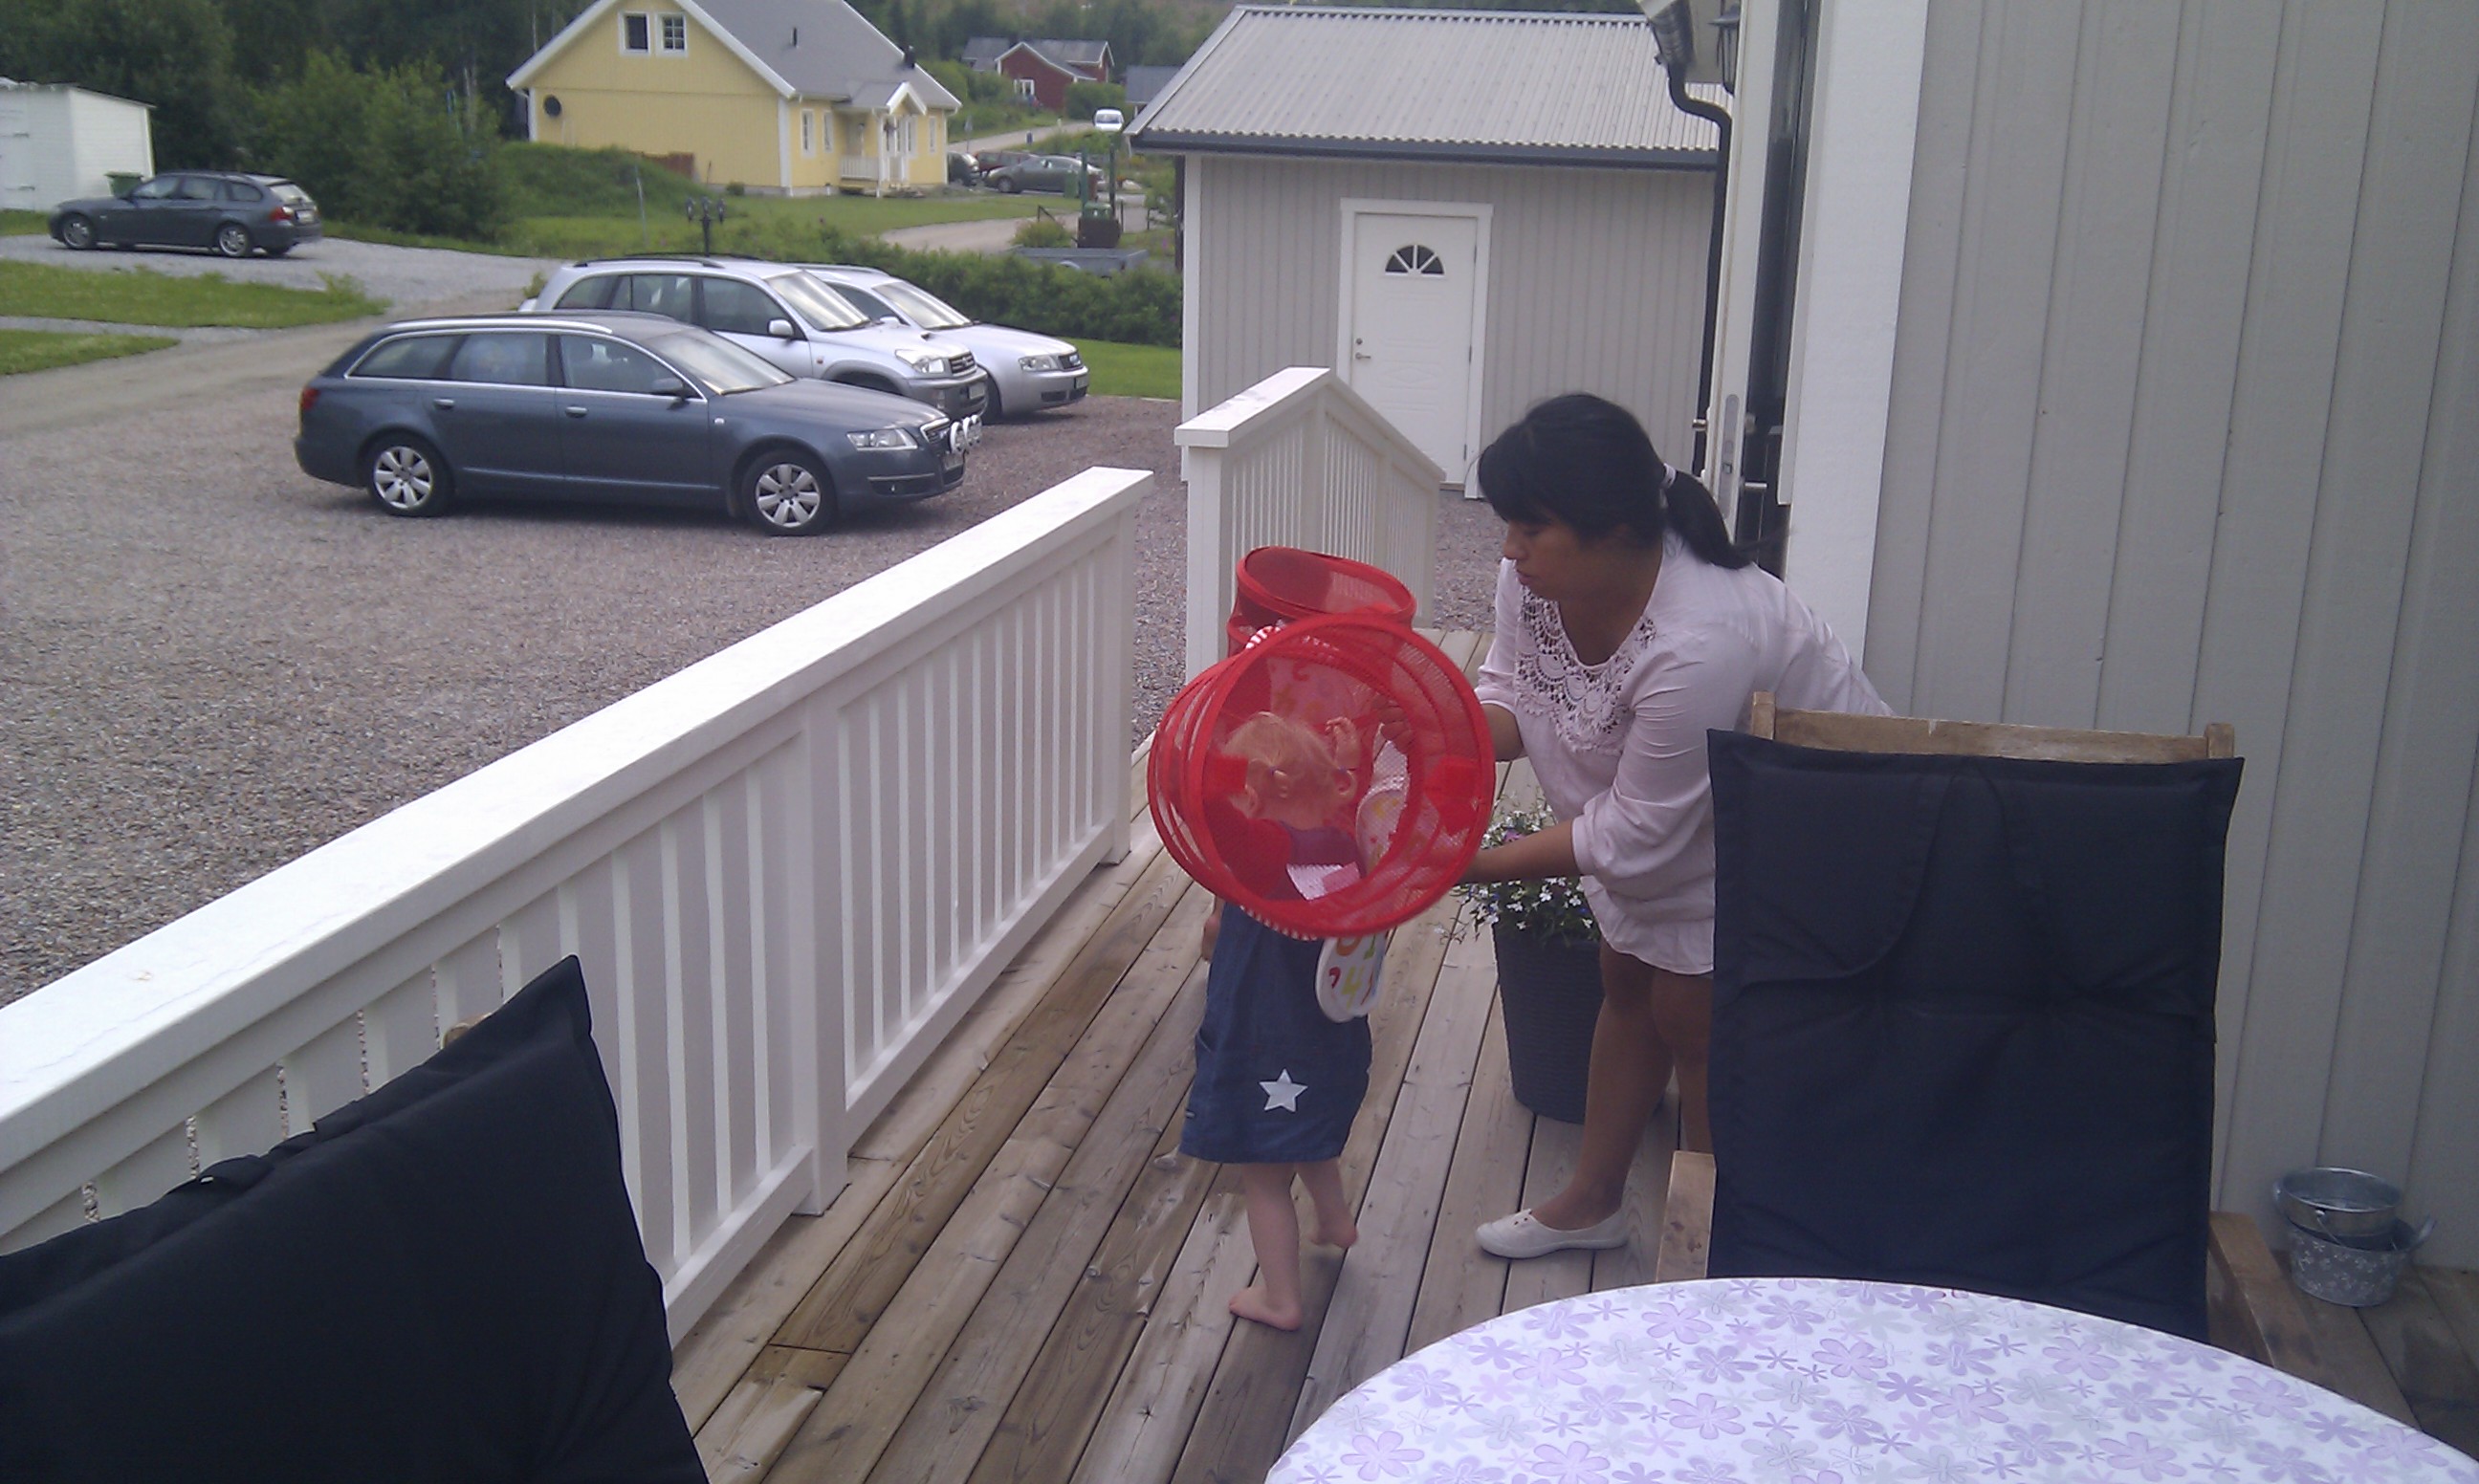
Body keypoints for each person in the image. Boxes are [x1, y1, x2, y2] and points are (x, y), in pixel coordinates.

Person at [1461, 393, 1888, 1261]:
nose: (1509, 549)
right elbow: (1512, 698)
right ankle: (1594, 1202)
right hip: (1693, 804)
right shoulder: (1537, 582)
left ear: (1615, 528)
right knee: (1625, 979)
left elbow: (1632, 836)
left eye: (1531, 528)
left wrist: (1467, 864)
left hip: (1808, 821)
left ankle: (1721, 1248)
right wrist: (1425, 729)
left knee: (1698, 1019)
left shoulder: (1702, 638)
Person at [1182, 709, 1374, 1329]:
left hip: (1269, 1042)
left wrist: (1213, 772)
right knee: (1306, 1125)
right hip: (1332, 1036)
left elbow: (1212, 818)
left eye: (1244, 789)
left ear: (1265, 789)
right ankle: (1335, 1220)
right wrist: (1351, 763)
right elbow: (1354, 804)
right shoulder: (1345, 843)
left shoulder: (1268, 854)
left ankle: (1281, 1298)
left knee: (1264, 1175)